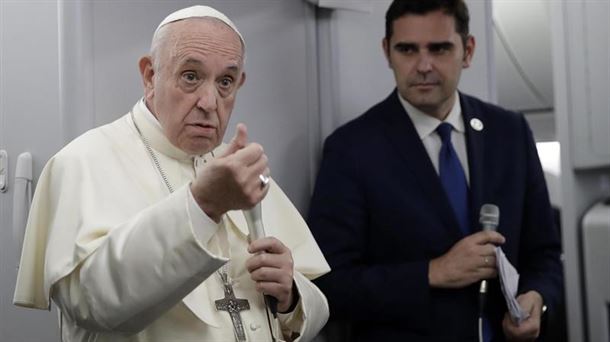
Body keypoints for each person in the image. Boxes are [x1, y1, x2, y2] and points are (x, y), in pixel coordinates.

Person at [14, 5, 330, 342]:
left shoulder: (236, 165)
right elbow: (92, 304)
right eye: (191, 76)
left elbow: (315, 305)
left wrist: (291, 296)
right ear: (150, 76)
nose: (209, 102)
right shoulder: (82, 161)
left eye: (225, 81)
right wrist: (203, 205)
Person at [308, 0, 563, 341]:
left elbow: (544, 255)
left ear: (467, 50)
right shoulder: (352, 150)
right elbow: (328, 286)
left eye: (439, 48)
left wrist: (538, 299)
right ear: (387, 52)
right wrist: (433, 272)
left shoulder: (510, 132)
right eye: (407, 50)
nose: (423, 65)